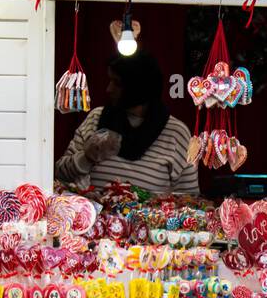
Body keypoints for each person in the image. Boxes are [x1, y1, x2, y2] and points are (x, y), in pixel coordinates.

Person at [55, 51, 199, 195]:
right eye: (110, 81)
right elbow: (60, 174)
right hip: (96, 214)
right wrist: (86, 157)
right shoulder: (96, 118)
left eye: (117, 83)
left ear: (138, 87)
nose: (108, 89)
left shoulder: (176, 133)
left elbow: (189, 199)